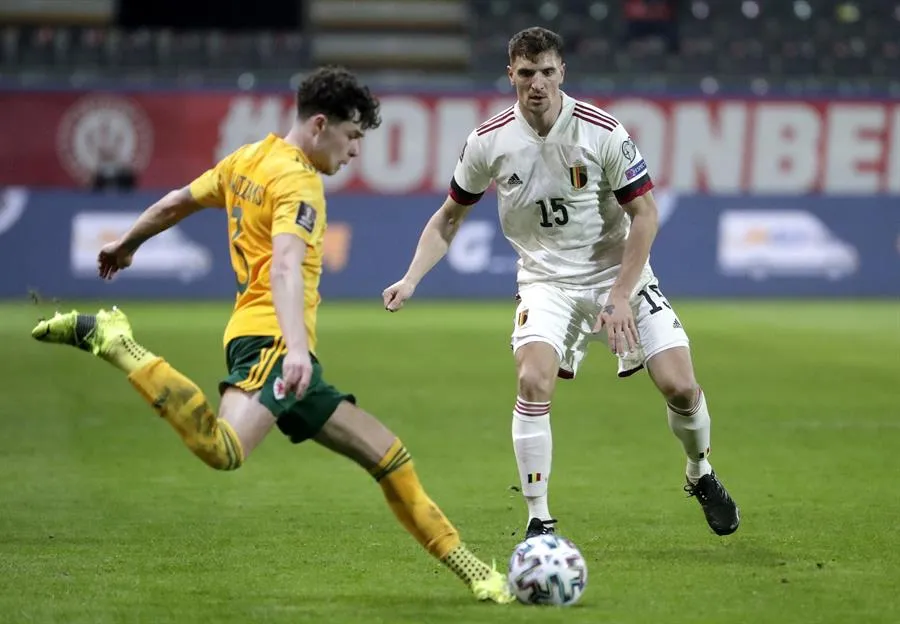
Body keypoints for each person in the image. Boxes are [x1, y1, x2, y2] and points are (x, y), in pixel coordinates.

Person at [31, 66, 513, 604]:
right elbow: (285, 266)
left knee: (387, 454)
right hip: (274, 342)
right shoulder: (298, 181)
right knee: (224, 449)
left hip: (263, 336)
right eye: (353, 137)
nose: (355, 152)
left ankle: (475, 572)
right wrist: (298, 350)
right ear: (321, 125)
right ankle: (119, 344)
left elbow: (175, 202)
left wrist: (127, 243)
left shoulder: (249, 158)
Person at [382, 28, 740, 539]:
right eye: (526, 73)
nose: (537, 85)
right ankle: (538, 519)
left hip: (617, 277)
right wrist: (411, 277)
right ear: (511, 75)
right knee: (532, 381)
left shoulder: (603, 132)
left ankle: (699, 472)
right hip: (545, 282)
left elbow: (645, 215)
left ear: (561, 73)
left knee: (681, 387)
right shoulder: (488, 142)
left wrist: (619, 296)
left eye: (547, 72)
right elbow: (448, 219)